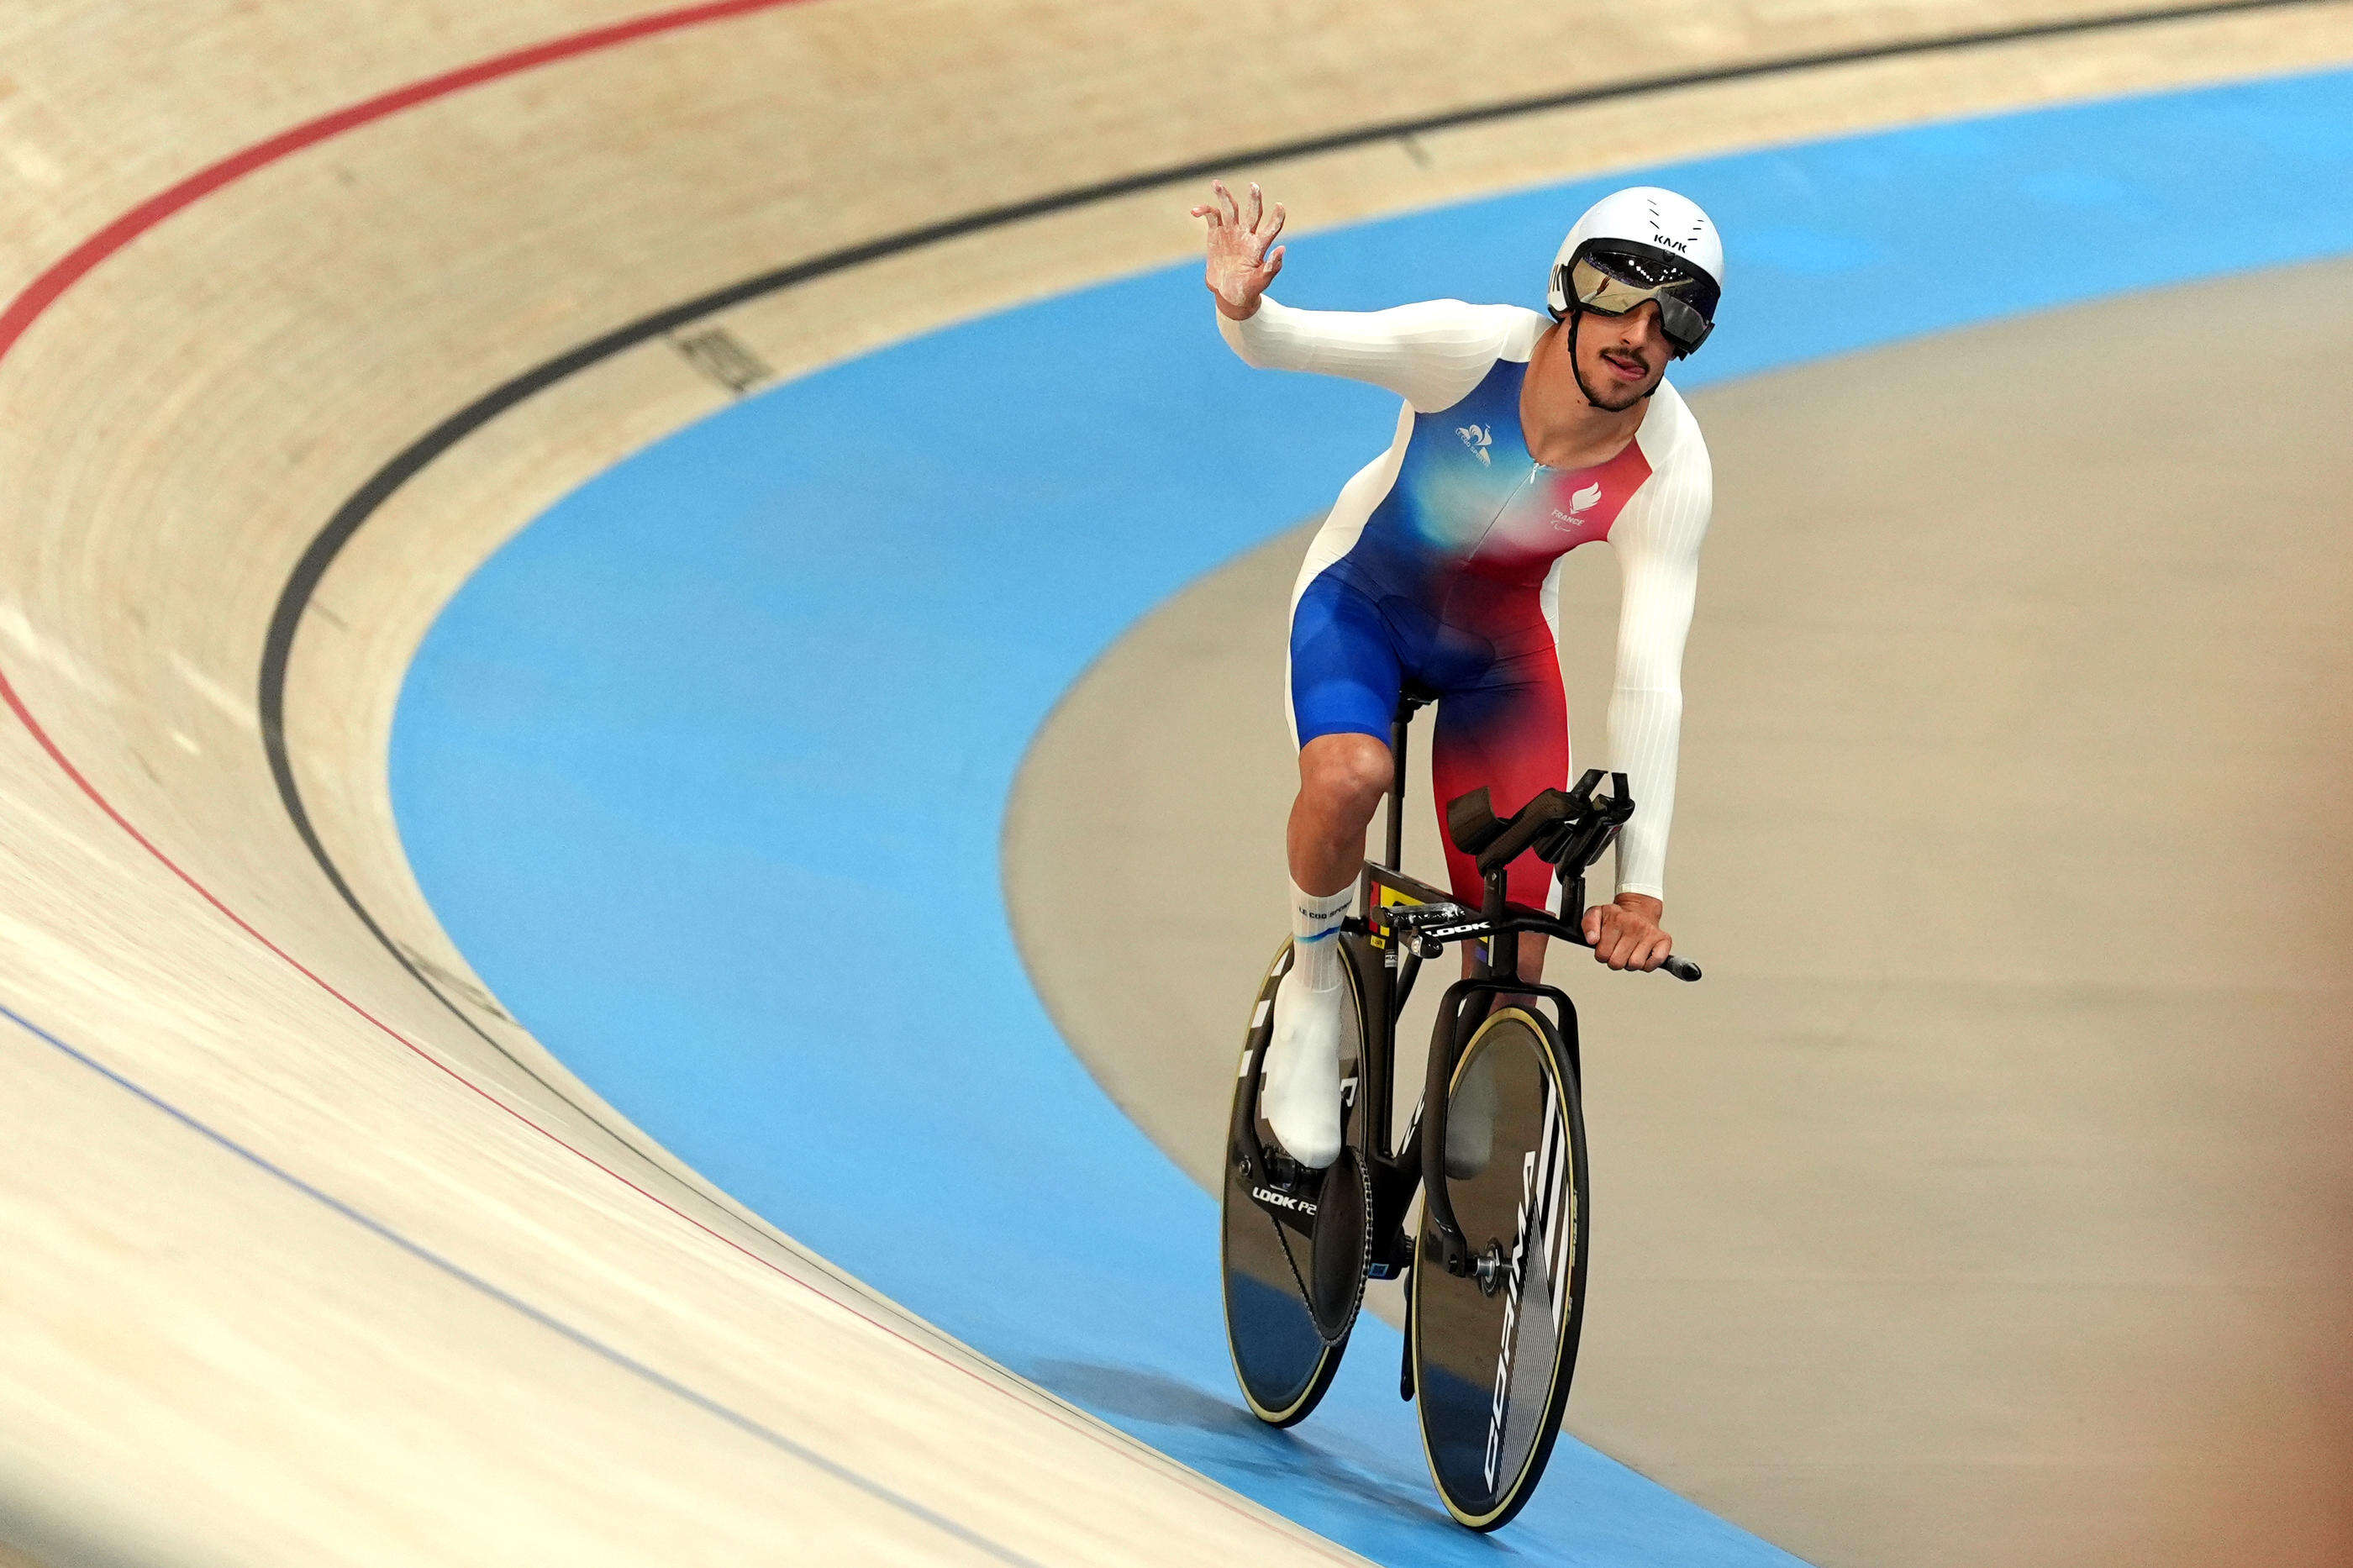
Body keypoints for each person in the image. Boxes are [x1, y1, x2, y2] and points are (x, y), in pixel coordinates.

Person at [1191, 179, 1719, 1169]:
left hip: (1498, 659)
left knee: (1515, 946)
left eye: (1676, 311)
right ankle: (1312, 1000)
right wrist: (1241, 302)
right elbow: (1283, 342)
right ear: (1567, 287)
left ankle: (1456, 1186)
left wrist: (1637, 892)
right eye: (1619, 289)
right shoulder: (1466, 345)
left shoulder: (1670, 463)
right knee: (1349, 778)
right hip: (1365, 603)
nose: (1639, 330)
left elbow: (1651, 676)